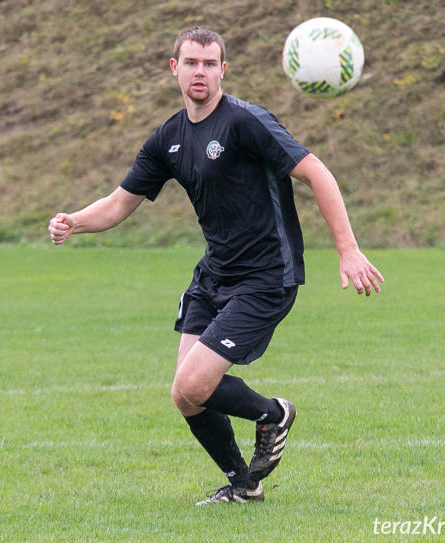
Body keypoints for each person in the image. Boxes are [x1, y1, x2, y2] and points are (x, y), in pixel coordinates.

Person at [48, 26, 383, 505]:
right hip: (215, 274)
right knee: (185, 395)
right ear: (175, 68)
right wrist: (73, 223)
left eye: (209, 64)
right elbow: (122, 202)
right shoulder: (168, 137)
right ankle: (244, 485)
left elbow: (316, 172)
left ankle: (273, 414)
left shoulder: (247, 122)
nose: (199, 72)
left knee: (193, 382)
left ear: (223, 69)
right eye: (191, 63)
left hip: (266, 275)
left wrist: (347, 248)